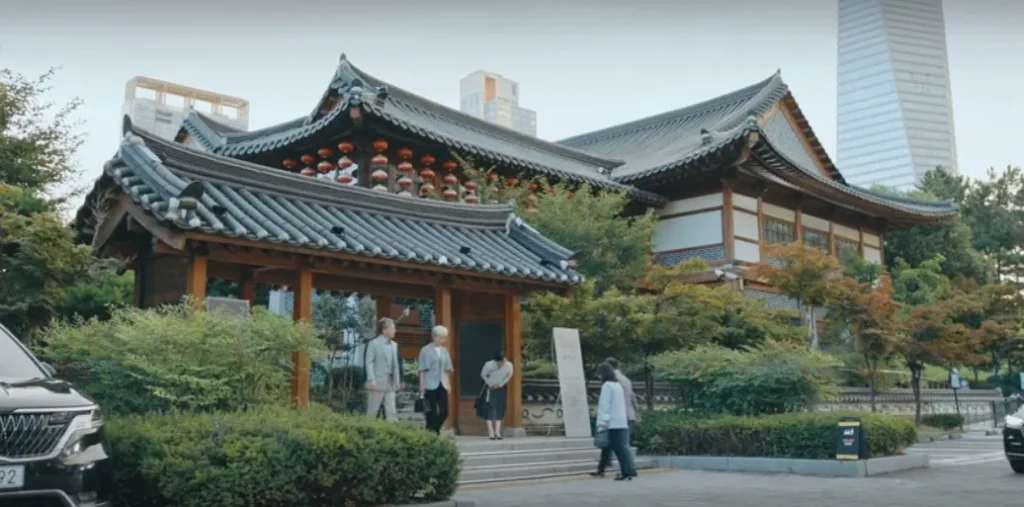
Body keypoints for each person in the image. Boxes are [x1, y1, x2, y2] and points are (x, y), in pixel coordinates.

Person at [592, 362, 637, 481]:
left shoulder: (607, 386)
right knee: (622, 447)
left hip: (612, 422)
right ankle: (629, 470)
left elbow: (605, 405)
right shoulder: (617, 385)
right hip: (621, 420)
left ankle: (626, 471)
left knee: (619, 448)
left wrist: (603, 421)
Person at [365, 317, 403, 422]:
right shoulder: (374, 343)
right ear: (384, 330)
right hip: (377, 382)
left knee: (391, 412)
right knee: (372, 411)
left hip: (390, 383)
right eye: (392, 328)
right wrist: (371, 379)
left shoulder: (394, 345)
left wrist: (397, 380)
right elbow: (369, 362)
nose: (395, 331)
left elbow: (396, 365)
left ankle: (393, 435)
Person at [418, 325, 454, 434]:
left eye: (444, 338)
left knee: (444, 411)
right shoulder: (425, 350)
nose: (442, 340)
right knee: (431, 412)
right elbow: (422, 370)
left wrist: (448, 384)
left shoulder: (444, 350)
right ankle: (433, 433)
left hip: (442, 383)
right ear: (433, 336)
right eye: (440, 337)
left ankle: (432, 430)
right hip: (429, 383)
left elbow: (447, 369)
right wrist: (422, 386)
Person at [477, 351, 514, 440]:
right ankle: (491, 431)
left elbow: (508, 376)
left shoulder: (509, 365)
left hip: (500, 387)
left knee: (499, 408)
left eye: (503, 361)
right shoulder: (489, 365)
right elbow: (483, 375)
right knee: (489, 408)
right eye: (499, 362)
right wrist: (490, 383)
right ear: (495, 361)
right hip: (490, 387)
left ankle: (497, 431)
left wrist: (500, 384)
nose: (501, 363)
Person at [605, 357, 640, 429]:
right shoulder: (626, 379)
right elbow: (633, 398)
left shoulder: (611, 381)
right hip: (629, 415)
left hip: (617, 418)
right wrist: (637, 414)